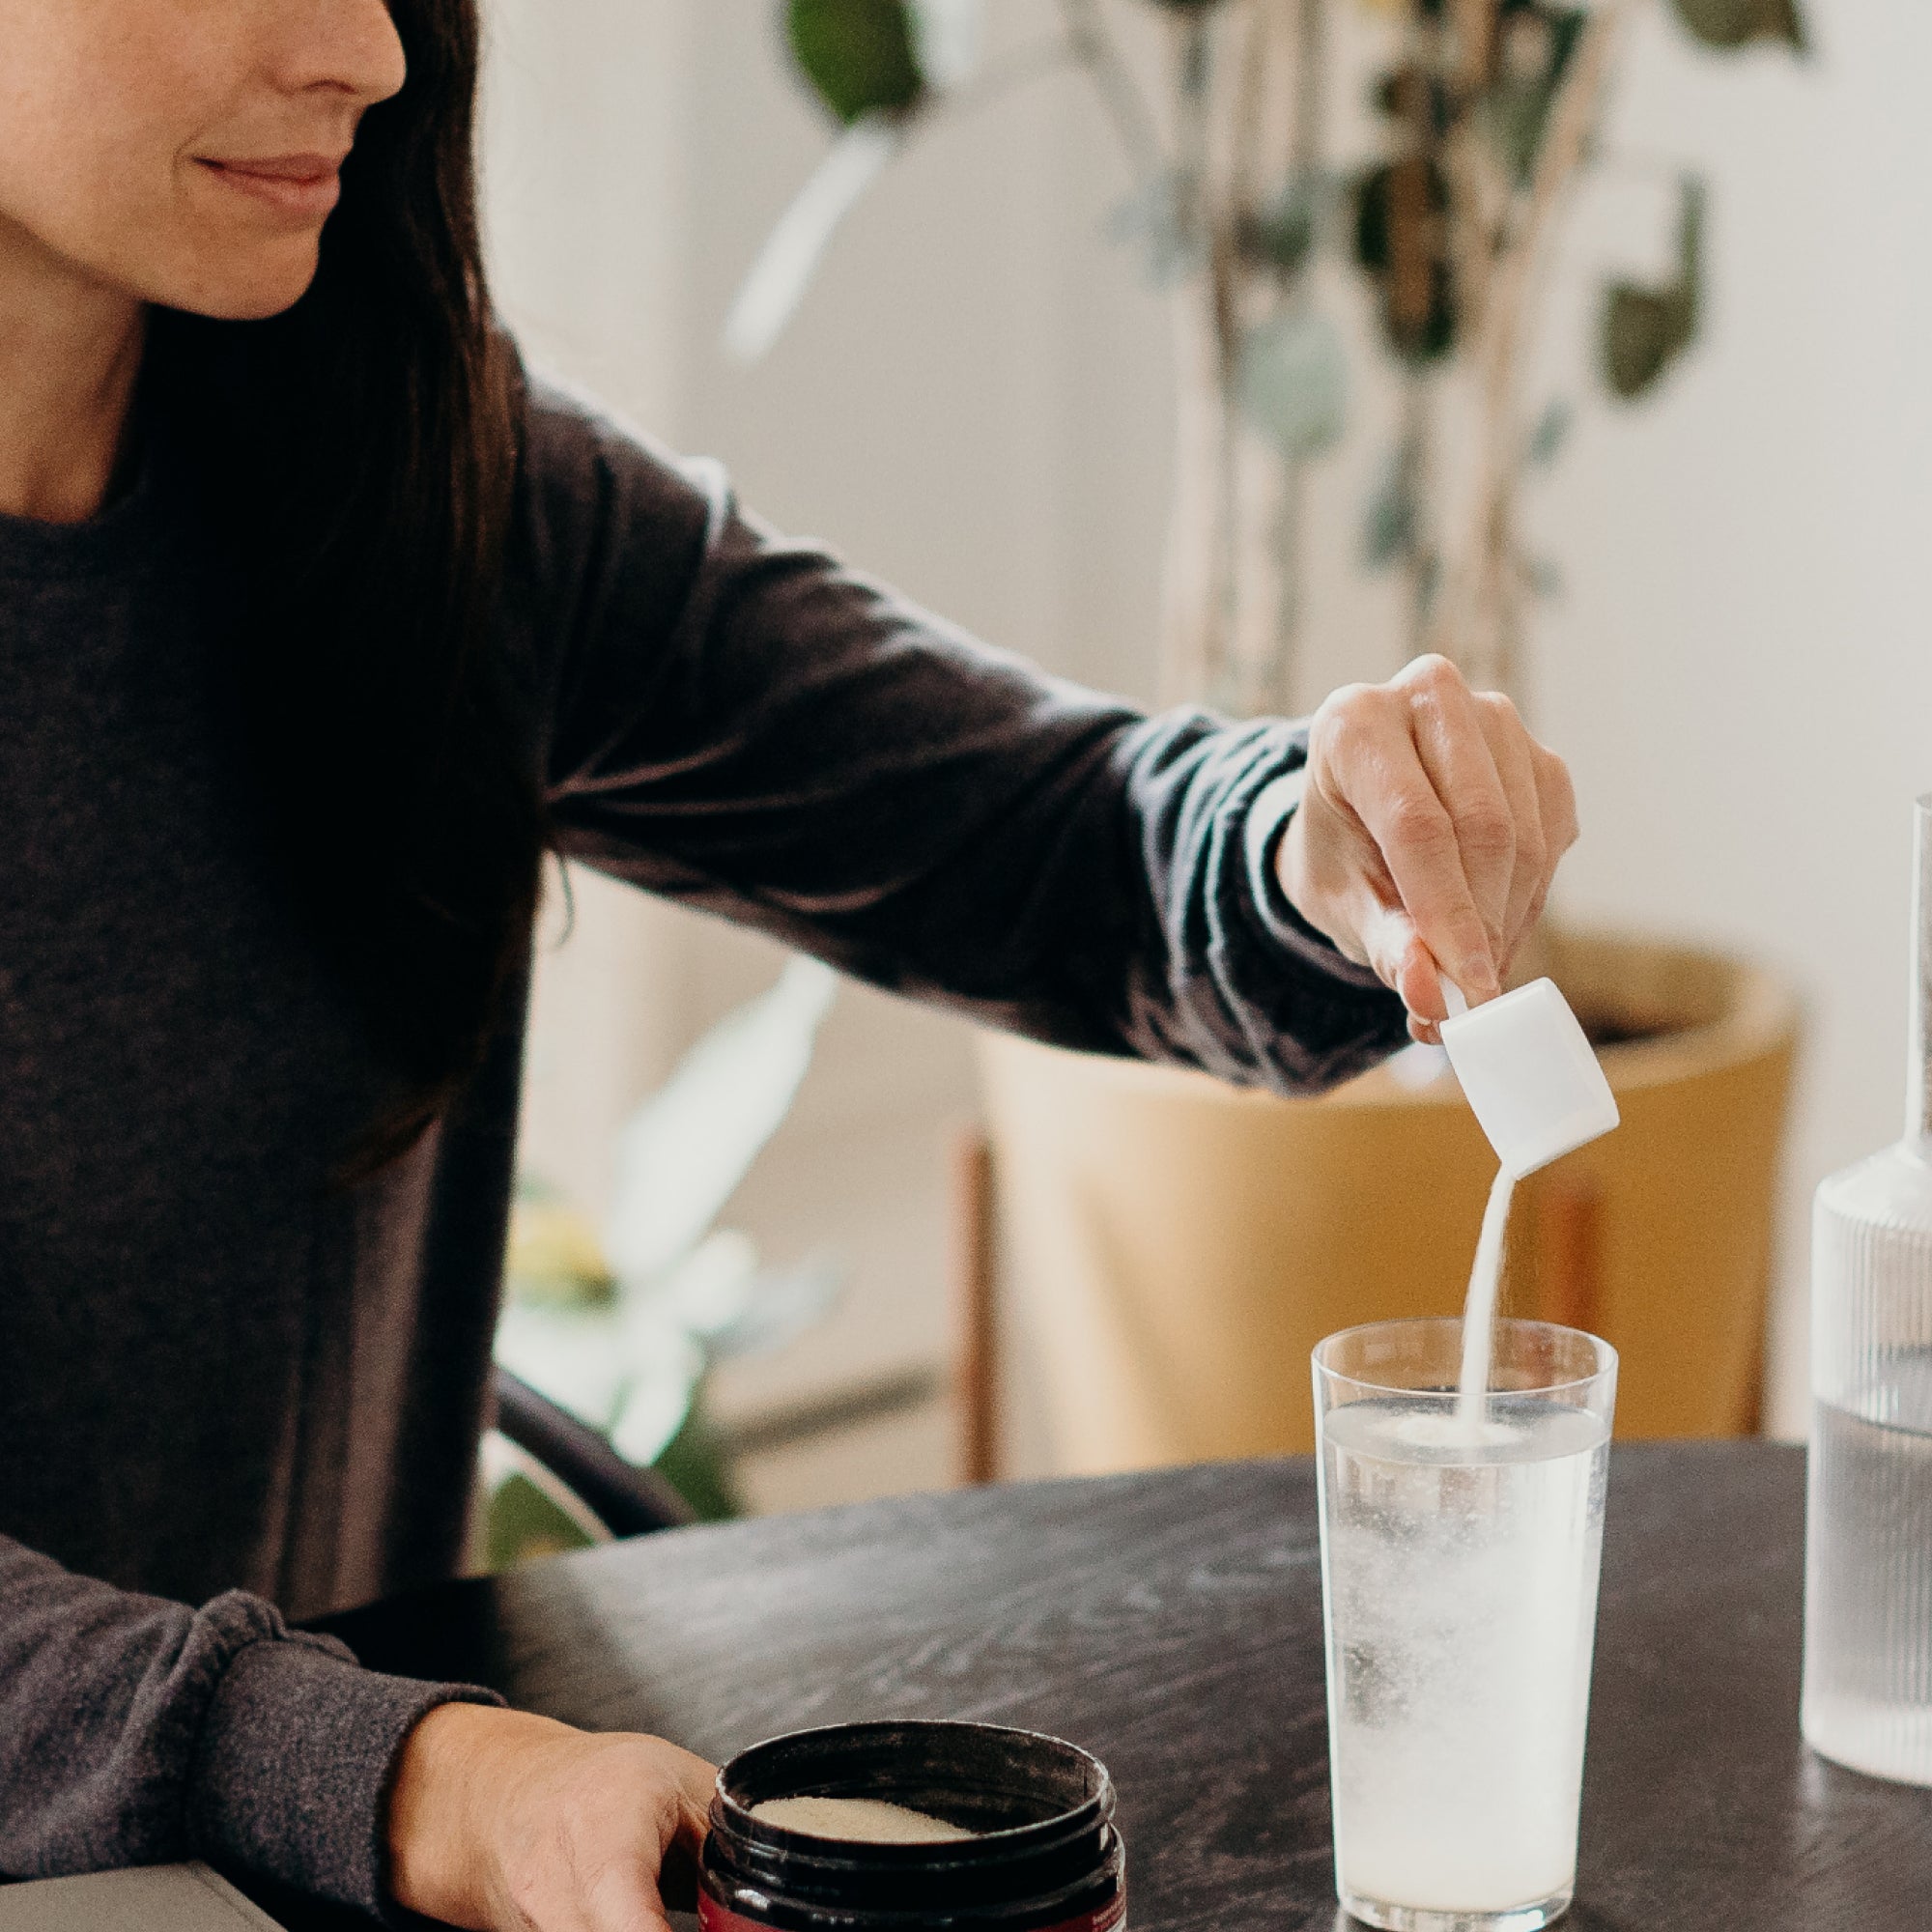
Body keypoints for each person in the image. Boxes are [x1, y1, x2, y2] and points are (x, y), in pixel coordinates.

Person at [0, 3, 1577, 1928]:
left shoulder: (419, 487)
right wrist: (390, 1770)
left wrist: (1309, 840)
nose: (370, 49)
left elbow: (1043, 838)